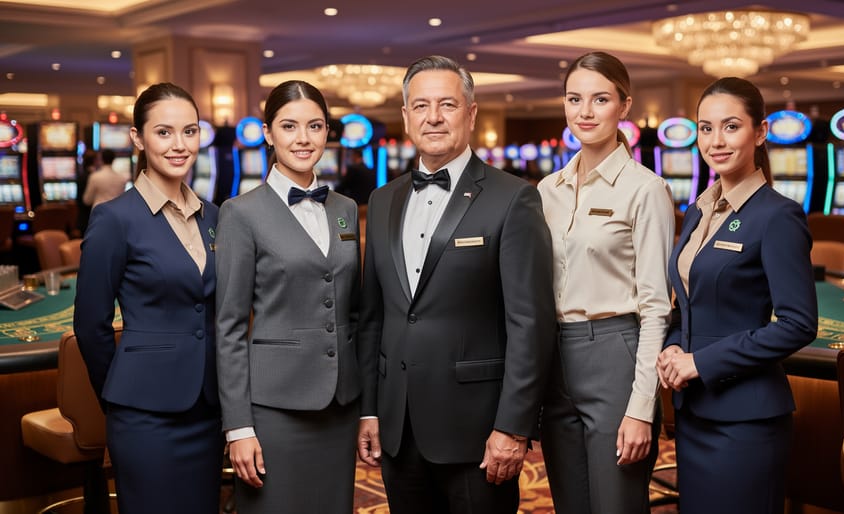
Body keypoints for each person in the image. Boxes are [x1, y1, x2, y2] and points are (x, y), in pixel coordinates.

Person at [356, 55, 556, 514]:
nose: (433, 117)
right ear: (405, 117)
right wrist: (370, 409)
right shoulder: (383, 199)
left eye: (447, 104)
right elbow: (373, 318)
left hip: (478, 430)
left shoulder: (514, 198)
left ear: (471, 112)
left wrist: (512, 426)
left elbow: (530, 323)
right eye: (420, 105)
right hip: (398, 426)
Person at [656, 77, 818, 514]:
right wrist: (673, 347)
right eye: (705, 128)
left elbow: (798, 325)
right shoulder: (698, 210)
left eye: (730, 126)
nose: (716, 141)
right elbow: (686, 303)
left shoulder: (778, 215)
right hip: (694, 413)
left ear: (760, 132)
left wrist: (699, 363)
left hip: (745, 420)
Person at [73, 82, 222, 514]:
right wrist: (121, 396)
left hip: (209, 409)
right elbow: (90, 326)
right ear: (138, 138)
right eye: (164, 132)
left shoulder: (214, 215)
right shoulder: (114, 218)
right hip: (145, 416)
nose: (180, 145)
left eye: (190, 132)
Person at [536, 51, 674, 514]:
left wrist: (641, 406)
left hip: (616, 354)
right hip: (555, 357)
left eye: (600, 99)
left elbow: (656, 306)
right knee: (568, 504)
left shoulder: (646, 189)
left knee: (616, 504)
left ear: (624, 106)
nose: (585, 112)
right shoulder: (545, 189)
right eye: (575, 99)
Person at [216, 80, 362, 514]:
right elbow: (228, 326)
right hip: (275, 406)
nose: (303, 138)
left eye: (315, 126)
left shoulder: (345, 209)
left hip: (340, 404)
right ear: (267, 133)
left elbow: (354, 310)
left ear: (327, 132)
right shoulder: (241, 213)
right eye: (289, 126)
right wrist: (238, 427)